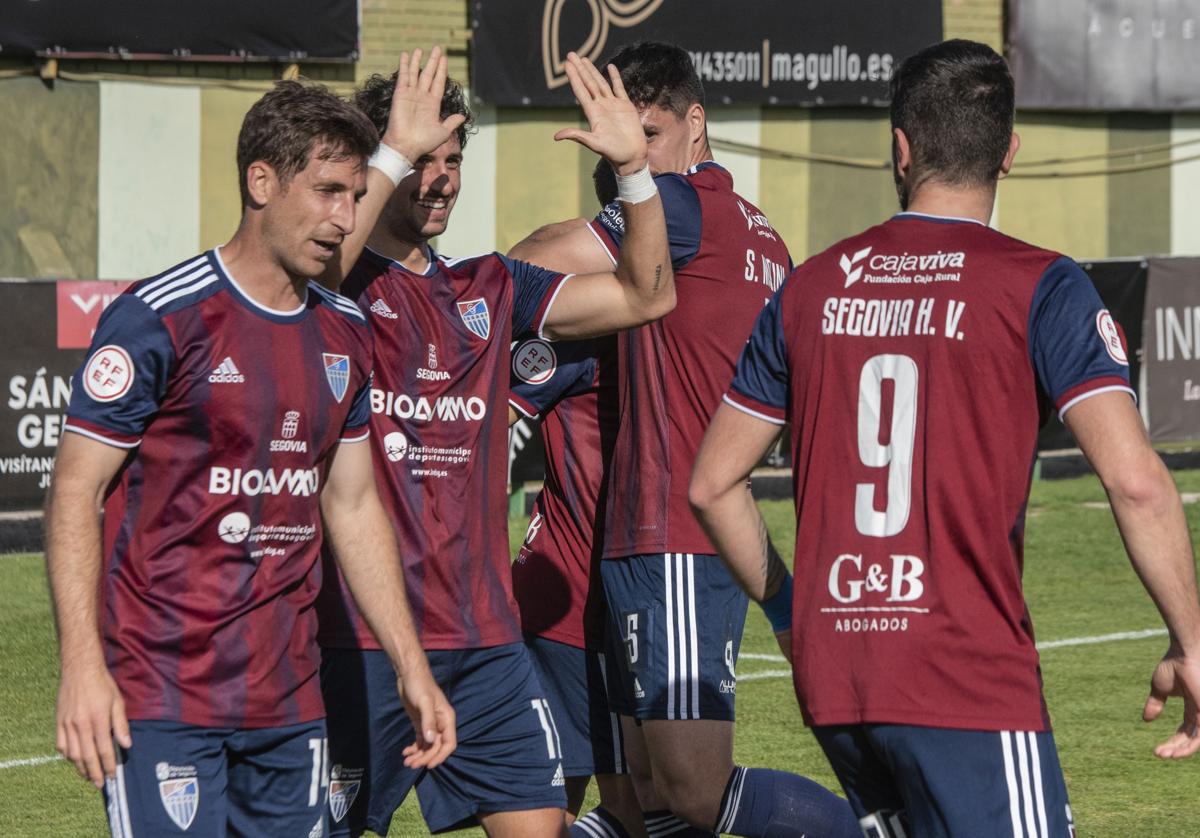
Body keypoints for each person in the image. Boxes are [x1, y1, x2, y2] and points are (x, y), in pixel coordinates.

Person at [689, 38, 1200, 838]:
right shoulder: (1043, 284)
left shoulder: (811, 287)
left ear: (899, 148)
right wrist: (1191, 640)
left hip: (838, 674)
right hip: (962, 674)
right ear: (1010, 154)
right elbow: (1136, 479)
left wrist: (793, 614)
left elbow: (711, 485)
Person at [45, 77, 455, 837]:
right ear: (260, 181)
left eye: (356, 193)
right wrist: (82, 668)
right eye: (328, 190)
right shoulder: (159, 319)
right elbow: (75, 493)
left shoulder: (345, 331)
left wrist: (410, 664)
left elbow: (354, 505)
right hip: (162, 694)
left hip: (291, 703)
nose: (345, 217)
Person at [313, 50, 676, 837]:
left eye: (453, 159)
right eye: (422, 159)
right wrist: (389, 155)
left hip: (484, 642)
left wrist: (634, 171)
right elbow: (312, 267)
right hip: (363, 641)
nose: (440, 178)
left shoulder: (489, 286)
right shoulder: (331, 288)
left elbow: (649, 294)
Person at [505, 41, 858, 838]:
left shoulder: (684, 210)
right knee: (645, 803)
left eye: (647, 134)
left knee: (693, 793)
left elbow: (528, 269)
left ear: (695, 124)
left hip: (672, 536)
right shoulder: (764, 235)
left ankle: (882, 826)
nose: (631, 155)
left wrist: (438, 289)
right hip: (679, 537)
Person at [505, 159, 642, 838]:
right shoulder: (577, 323)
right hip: (567, 601)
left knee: (648, 808)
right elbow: (480, 425)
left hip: (640, 597)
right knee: (561, 813)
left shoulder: (685, 307)